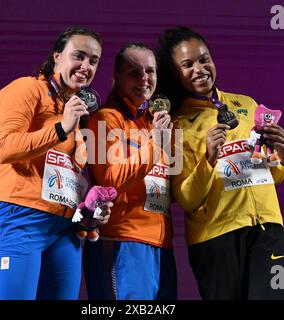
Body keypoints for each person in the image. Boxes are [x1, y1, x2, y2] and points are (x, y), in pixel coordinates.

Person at [156, 26, 284, 300]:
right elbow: (186, 198)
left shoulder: (248, 105)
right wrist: (208, 158)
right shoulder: (177, 126)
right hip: (214, 239)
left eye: (204, 59)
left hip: (267, 230)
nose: (199, 69)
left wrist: (282, 154)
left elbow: (269, 175)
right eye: (187, 64)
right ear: (175, 73)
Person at [0, 27, 112, 300]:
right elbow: (3, 148)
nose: (86, 66)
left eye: (93, 60)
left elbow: (59, 172)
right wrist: (61, 128)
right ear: (57, 56)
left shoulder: (74, 111)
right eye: (79, 56)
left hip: (64, 231)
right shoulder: (26, 88)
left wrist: (89, 210)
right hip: (16, 218)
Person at [83, 42, 177, 300]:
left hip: (161, 242)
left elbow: (172, 189)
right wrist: (155, 143)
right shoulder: (104, 119)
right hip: (122, 239)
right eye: (134, 73)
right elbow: (109, 181)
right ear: (117, 78)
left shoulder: (155, 122)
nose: (145, 79)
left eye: (150, 71)